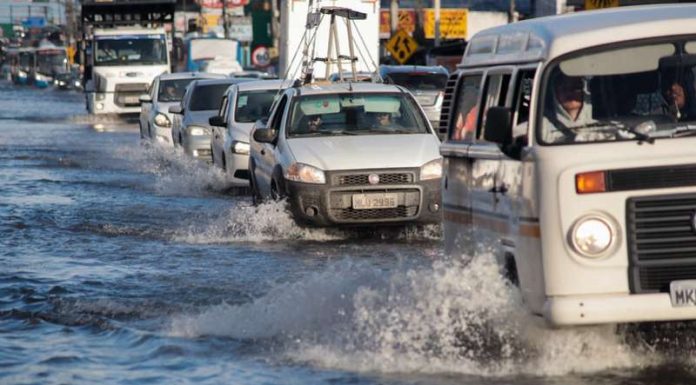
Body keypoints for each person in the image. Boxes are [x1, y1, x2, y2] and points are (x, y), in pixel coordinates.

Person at [542, 72, 598, 143]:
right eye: (564, 88)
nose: (569, 93)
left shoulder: (602, 120)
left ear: (584, 92)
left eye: (576, 88)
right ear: (555, 92)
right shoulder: (541, 124)